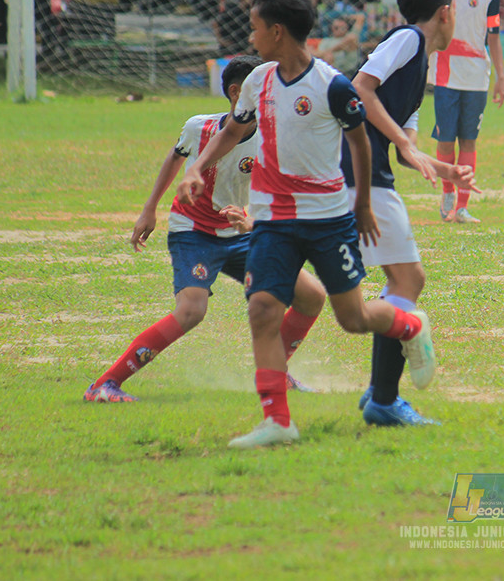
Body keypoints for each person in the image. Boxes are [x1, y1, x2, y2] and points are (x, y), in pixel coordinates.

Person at [176, 0, 437, 449]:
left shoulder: (330, 86)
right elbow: (233, 132)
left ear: (277, 32)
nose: (250, 39)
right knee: (261, 310)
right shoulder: (257, 80)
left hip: (328, 219)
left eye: (254, 29)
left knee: (353, 318)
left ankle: (409, 324)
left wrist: (360, 204)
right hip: (273, 220)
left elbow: (358, 140)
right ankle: (277, 420)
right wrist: (196, 167)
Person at [84, 55, 326, 403]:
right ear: (236, 92)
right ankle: (104, 384)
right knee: (192, 311)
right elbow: (176, 156)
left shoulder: (274, 139)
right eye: (262, 88)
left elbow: (286, 199)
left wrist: (252, 223)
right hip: (193, 232)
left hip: (240, 233)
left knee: (311, 295)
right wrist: (149, 209)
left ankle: (278, 373)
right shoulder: (201, 127)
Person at [344, 0, 479, 425]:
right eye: (455, 10)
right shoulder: (407, 40)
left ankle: (379, 393)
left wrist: (443, 169)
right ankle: (383, 399)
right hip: (354, 171)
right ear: (445, 13)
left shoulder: (421, 66)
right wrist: (401, 145)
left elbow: (408, 151)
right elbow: (360, 88)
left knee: (403, 280)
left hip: (365, 170)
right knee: (407, 281)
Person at [429, 0, 504, 224]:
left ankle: (462, 206)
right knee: (446, 141)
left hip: (477, 77)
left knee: (469, 141)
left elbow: (495, 36)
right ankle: (447, 194)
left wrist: (500, 76)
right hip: (446, 76)